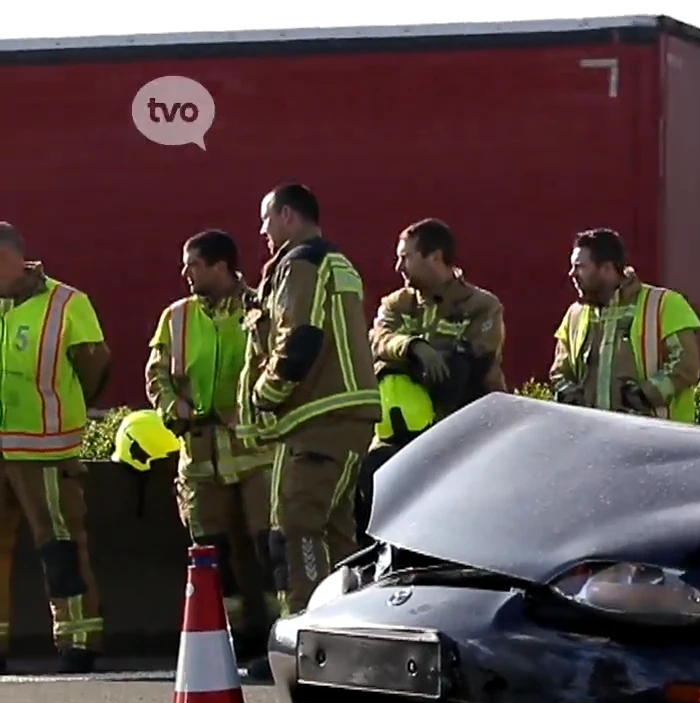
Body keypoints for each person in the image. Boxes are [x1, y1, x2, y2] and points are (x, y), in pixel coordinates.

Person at [241, 183, 380, 656]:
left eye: (265, 220)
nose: (262, 231)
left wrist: (264, 395)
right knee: (337, 530)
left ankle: (306, 638)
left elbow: (298, 338)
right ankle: (353, 637)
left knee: (296, 524)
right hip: (347, 416)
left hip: (317, 419)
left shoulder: (299, 263)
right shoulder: (338, 264)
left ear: (286, 215)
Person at [144, 229, 275, 662]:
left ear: (221, 266)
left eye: (193, 264)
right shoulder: (176, 317)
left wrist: (252, 406)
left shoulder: (262, 309)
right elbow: (157, 374)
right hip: (199, 456)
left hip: (255, 454)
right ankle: (231, 641)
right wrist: (173, 409)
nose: (185, 273)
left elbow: (279, 366)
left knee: (268, 548)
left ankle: (276, 636)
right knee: (210, 550)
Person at [0, 222, 111, 674]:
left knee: (60, 546)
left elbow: (95, 368)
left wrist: (65, 414)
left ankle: (78, 640)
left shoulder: (67, 303)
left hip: (44, 447)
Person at [358, 217, 507, 543]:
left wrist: (416, 360)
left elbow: (471, 361)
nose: (397, 265)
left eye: (405, 256)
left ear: (435, 257)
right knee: (371, 495)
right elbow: (377, 339)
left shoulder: (482, 306)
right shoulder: (397, 304)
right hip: (398, 435)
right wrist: (414, 347)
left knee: (458, 524)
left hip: (462, 434)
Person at [550, 228, 700, 421]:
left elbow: (685, 366)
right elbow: (559, 373)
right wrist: (570, 395)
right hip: (594, 438)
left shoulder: (665, 304)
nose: (572, 274)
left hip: (658, 440)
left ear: (607, 268)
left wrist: (644, 396)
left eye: (580, 266)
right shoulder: (574, 314)